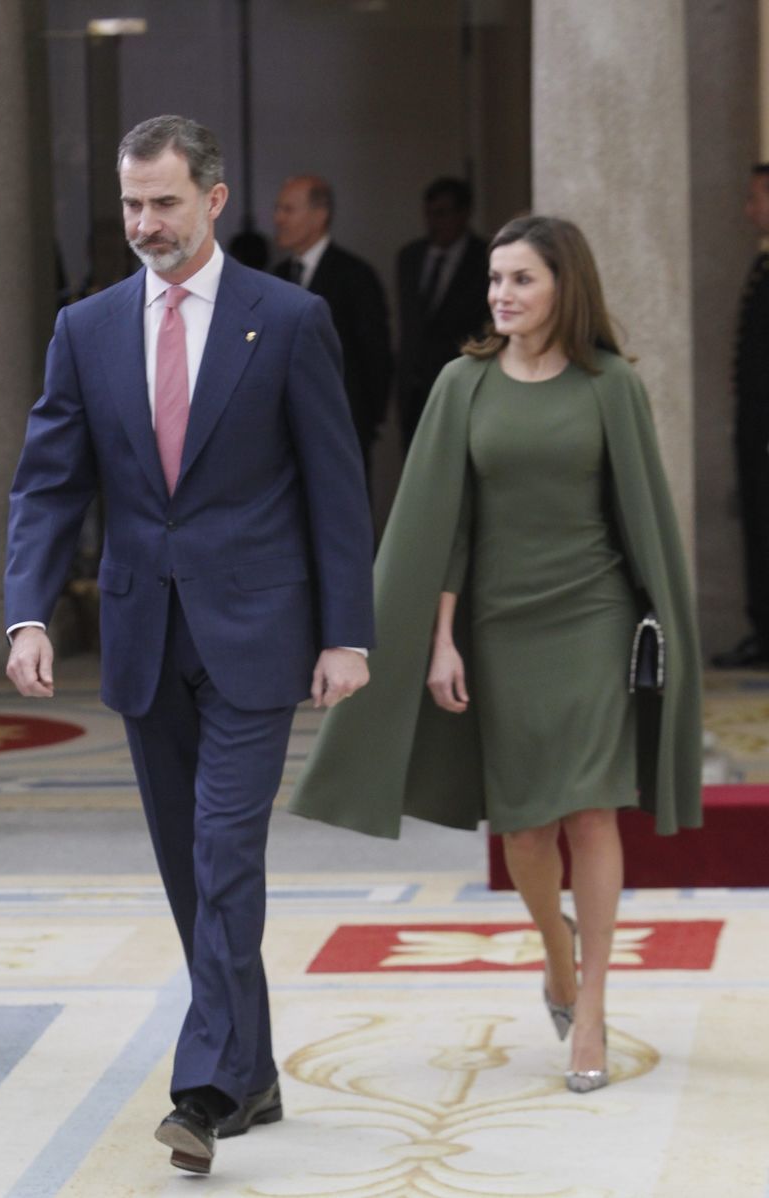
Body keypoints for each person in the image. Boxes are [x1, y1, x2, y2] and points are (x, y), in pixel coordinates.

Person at [4, 115, 375, 1175]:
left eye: (164, 202)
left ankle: (204, 1086)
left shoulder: (289, 320)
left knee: (223, 854)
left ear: (214, 199)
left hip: (259, 633)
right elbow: (49, 483)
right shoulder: (87, 328)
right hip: (141, 633)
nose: (144, 224)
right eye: (130, 204)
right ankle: (252, 1066)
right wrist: (27, 610)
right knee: (187, 870)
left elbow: (334, 484)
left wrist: (346, 631)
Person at [290, 215, 702, 1093]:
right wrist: (440, 642)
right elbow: (447, 527)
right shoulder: (463, 383)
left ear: (564, 287)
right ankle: (555, 950)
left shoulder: (611, 385)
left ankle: (590, 1007)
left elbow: (642, 518)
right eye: (494, 281)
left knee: (590, 810)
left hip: (591, 618)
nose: (502, 296)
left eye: (521, 279)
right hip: (498, 627)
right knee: (522, 825)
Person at [272, 175, 392, 485]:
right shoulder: (275, 277)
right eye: (278, 209)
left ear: (319, 215)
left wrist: (366, 422)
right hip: (282, 430)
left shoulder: (355, 276)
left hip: (341, 424)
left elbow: (375, 355)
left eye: (288, 209)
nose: (278, 219)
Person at [712, 163, 769, 668]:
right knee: (757, 524)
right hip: (756, 426)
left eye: (757, 198)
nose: (749, 210)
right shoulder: (761, 264)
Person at [395, 177, 490, 451]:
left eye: (442, 213)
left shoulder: (484, 258)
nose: (434, 222)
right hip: (413, 391)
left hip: (463, 384)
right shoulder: (410, 257)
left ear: (464, 213)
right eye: (429, 214)